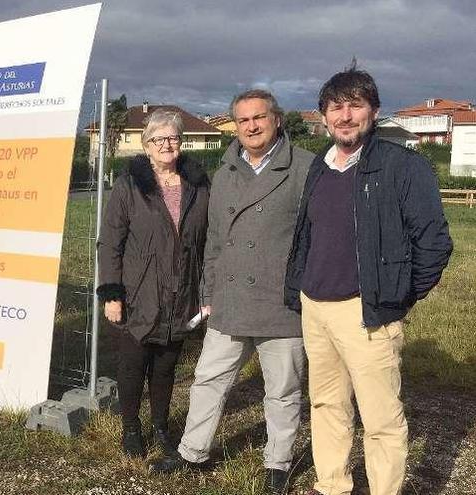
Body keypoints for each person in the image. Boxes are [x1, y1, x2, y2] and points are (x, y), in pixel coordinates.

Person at [285, 66, 453, 495]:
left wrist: (395, 297)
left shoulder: (403, 167)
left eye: (355, 105)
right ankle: (333, 486)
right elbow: (307, 235)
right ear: (323, 116)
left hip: (368, 313)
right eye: (335, 107)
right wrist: (301, 289)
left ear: (373, 112)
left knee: (380, 419)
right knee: (327, 406)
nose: (345, 115)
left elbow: (434, 245)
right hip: (316, 309)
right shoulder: (318, 168)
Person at [161, 90, 314, 494]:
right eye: (243, 120)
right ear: (235, 125)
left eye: (259, 117)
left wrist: (303, 291)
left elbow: (317, 239)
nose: (251, 126)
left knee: (282, 390)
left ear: (277, 119)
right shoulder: (225, 170)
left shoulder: (304, 168)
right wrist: (208, 291)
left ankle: (277, 463)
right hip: (229, 301)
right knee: (208, 379)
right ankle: (192, 451)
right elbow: (214, 241)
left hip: (281, 305)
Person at [97, 109, 209, 464]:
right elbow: (110, 243)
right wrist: (112, 294)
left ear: (181, 142)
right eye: (158, 139)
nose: (166, 145)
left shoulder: (199, 186)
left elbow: (209, 241)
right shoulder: (130, 186)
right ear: (146, 146)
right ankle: (131, 427)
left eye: (172, 138)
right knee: (133, 366)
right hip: (138, 294)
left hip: (181, 293)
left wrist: (206, 294)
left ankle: (161, 427)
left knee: (165, 367)